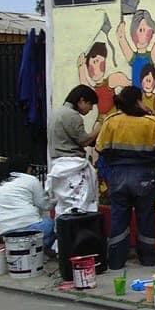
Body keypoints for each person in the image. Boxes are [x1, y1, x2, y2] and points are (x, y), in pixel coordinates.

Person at [95, 86, 155, 270]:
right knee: (146, 218)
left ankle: (116, 260)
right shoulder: (150, 122)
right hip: (144, 177)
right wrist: (149, 113)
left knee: (118, 217)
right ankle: (148, 259)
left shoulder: (111, 121)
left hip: (118, 177)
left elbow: (99, 147)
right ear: (139, 100)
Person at [47, 85, 102, 217]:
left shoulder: (56, 113)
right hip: (72, 167)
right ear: (81, 101)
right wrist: (99, 128)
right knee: (78, 206)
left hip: (58, 165)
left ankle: (63, 235)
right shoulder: (73, 116)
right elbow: (84, 141)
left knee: (63, 206)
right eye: (90, 104)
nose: (91, 109)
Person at [0, 155, 55, 256]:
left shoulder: (1, 183)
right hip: (30, 226)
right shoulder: (31, 180)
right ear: (26, 167)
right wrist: (56, 200)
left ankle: (28, 251)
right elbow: (46, 205)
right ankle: (38, 250)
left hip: (5, 231)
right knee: (55, 225)